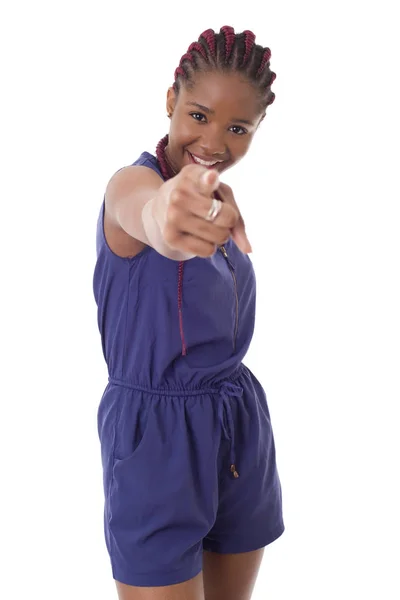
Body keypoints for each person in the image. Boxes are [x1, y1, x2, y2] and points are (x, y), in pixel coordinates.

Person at [93, 25, 284, 600]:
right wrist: (161, 219)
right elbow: (143, 212)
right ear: (171, 99)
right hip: (155, 437)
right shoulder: (135, 184)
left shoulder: (217, 201)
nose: (215, 141)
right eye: (199, 115)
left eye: (237, 128)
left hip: (238, 423)